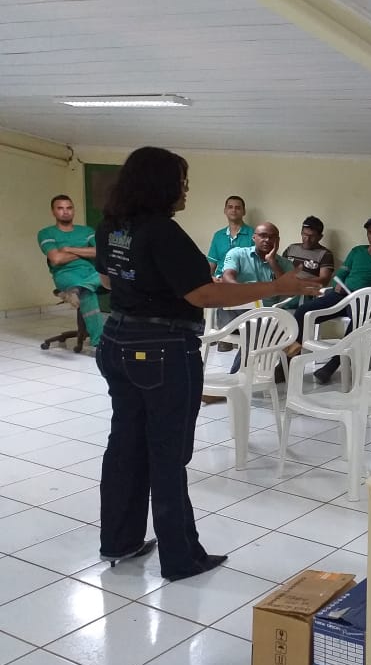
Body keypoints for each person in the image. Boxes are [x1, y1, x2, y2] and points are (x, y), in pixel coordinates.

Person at [93, 146, 319, 582]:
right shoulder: (163, 232)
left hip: (117, 339)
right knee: (167, 452)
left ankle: (119, 542)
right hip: (161, 347)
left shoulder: (111, 227)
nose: (187, 188)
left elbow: (107, 278)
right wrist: (279, 283)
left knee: (125, 444)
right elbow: (204, 295)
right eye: (182, 180)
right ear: (160, 185)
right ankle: (181, 559)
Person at [302, 218, 371, 384]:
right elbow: (341, 274)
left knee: (358, 320)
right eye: (370, 232)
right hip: (343, 295)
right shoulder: (357, 251)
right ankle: (291, 357)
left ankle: (333, 364)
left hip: (367, 301)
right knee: (304, 311)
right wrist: (337, 285)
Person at [220, 222, 294, 376]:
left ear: (278, 240)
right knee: (258, 323)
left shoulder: (284, 264)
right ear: (254, 237)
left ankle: (233, 378)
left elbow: (289, 289)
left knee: (256, 329)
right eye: (263, 235)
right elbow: (227, 277)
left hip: (265, 316)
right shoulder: (237, 254)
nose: (267, 240)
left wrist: (272, 261)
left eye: (272, 237)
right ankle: (285, 342)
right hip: (234, 310)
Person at [38, 195, 104, 347]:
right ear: (53, 212)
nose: (65, 212)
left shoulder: (87, 231)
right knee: (88, 293)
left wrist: (68, 249)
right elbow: (56, 259)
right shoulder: (46, 233)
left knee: (113, 275)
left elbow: (100, 252)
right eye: (60, 208)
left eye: (69, 208)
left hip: (91, 273)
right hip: (65, 274)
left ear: (73, 210)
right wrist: (85, 251)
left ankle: (76, 291)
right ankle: (99, 342)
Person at [206, 195, 252, 279]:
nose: (234, 210)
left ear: (244, 211)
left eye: (238, 208)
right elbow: (211, 265)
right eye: (230, 207)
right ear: (225, 210)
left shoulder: (254, 234)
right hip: (221, 281)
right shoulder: (218, 235)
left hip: (244, 283)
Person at [283, 216, 335, 286]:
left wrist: (298, 282)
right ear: (301, 233)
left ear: (320, 237)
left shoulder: (325, 254)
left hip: (307, 292)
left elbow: (324, 280)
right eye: (305, 234)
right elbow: (280, 268)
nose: (307, 239)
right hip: (285, 287)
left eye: (312, 236)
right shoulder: (291, 248)